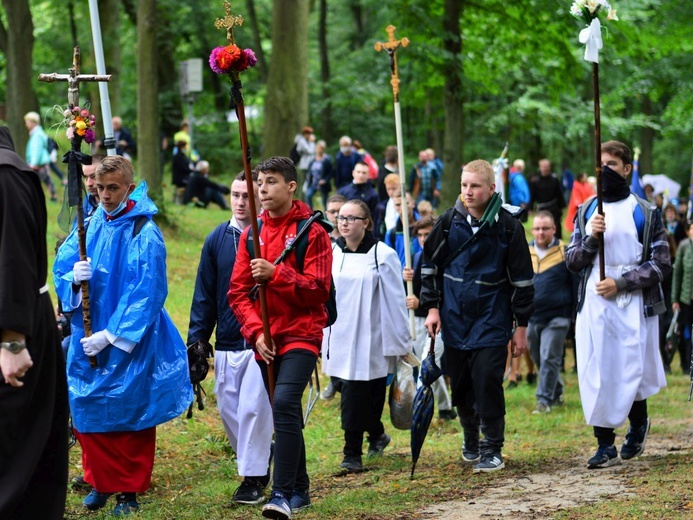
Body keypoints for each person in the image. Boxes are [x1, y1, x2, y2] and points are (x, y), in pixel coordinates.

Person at [53, 155, 192, 514]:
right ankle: (99, 481)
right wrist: (73, 278)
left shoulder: (142, 232)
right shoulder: (91, 223)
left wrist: (112, 336)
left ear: (129, 188)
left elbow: (146, 292)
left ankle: (128, 491)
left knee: (130, 414)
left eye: (112, 188)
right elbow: (63, 265)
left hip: (130, 341)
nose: (104, 195)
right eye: (99, 188)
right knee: (87, 408)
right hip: (86, 333)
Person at [228, 156, 332, 519]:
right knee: (283, 411)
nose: (262, 189)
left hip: (302, 333)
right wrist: (256, 332)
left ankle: (282, 493)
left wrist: (278, 274)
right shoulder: (250, 235)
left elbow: (319, 290)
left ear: (290, 187)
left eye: (270, 182)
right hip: (266, 339)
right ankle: (301, 487)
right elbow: (238, 294)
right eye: (259, 182)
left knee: (286, 403)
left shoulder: (312, 232)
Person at [421, 159, 534, 473]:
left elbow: (523, 281)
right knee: (461, 384)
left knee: (486, 380)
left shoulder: (509, 227)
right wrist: (431, 308)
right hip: (454, 318)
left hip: (492, 318)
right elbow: (428, 267)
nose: (468, 192)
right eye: (464, 186)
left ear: (491, 188)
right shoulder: (446, 223)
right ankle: (470, 436)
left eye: (475, 186)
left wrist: (521, 326)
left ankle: (491, 446)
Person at [566, 140, 669, 469]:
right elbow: (572, 259)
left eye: (611, 164)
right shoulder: (586, 210)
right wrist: (592, 238)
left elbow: (661, 263)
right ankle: (604, 443)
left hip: (633, 301)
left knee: (630, 368)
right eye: (600, 165)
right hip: (595, 302)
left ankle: (638, 425)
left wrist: (622, 282)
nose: (604, 170)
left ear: (626, 169)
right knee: (597, 369)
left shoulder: (646, 211)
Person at [187, 171, 273, 505]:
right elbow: (204, 293)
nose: (239, 202)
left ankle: (253, 478)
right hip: (225, 339)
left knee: (254, 408)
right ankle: (262, 453)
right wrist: (198, 338)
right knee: (230, 410)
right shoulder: (217, 239)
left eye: (246, 196)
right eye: (235, 195)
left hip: (259, 340)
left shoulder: (268, 235)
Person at [0, 126, 69, 519]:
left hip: (16, 330)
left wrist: (12, 340)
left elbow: (14, 259)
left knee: (16, 443)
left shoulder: (6, 175)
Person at [322, 199, 411, 473]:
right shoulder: (331, 253)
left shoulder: (382, 255)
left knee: (370, 396)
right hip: (340, 334)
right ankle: (354, 452)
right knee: (351, 392)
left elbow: (395, 301)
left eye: (351, 218)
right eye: (341, 217)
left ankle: (375, 435)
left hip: (371, 338)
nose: (345, 222)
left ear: (366, 223)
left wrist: (401, 343)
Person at [402, 216, 455, 421]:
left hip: (440, 322)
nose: (424, 239)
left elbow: (445, 293)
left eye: (428, 234)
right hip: (417, 322)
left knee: (427, 363)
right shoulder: (414, 258)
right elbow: (411, 293)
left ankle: (417, 410)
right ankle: (445, 407)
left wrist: (421, 304)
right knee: (429, 365)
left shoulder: (446, 258)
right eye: (421, 235)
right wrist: (406, 278)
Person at [527, 211, 576, 414]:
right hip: (532, 317)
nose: (541, 232)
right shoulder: (524, 252)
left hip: (558, 316)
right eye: (537, 228)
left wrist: (574, 315)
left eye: (545, 228)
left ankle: (544, 401)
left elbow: (575, 286)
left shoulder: (566, 252)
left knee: (549, 357)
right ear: (532, 230)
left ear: (554, 229)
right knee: (538, 356)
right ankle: (556, 390)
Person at [319, 194, 347, 401]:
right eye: (332, 211)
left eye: (340, 211)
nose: (336, 216)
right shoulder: (320, 238)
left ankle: (343, 383)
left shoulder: (350, 240)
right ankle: (333, 380)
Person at [671, 222, 693, 375]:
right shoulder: (684, 246)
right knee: (685, 332)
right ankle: (686, 365)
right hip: (686, 299)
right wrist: (675, 299)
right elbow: (677, 274)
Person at [23, 111, 56, 202]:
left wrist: (33, 163)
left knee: (44, 180)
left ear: (33, 122)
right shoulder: (37, 133)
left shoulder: (37, 135)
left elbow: (36, 150)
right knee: (46, 180)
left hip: (39, 163)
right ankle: (52, 197)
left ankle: (52, 197)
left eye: (27, 122)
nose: (26, 124)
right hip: (41, 162)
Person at [385, 192, 422, 268]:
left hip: (424, 276)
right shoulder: (391, 234)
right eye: (398, 205)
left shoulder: (425, 228)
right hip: (403, 278)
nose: (402, 208)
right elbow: (389, 262)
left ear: (413, 203)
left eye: (406, 203)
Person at [530, 159, 565, 239]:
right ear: (540, 168)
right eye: (543, 167)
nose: (545, 169)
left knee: (555, 225)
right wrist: (530, 207)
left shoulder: (554, 180)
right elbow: (533, 195)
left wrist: (561, 207)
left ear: (549, 168)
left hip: (553, 208)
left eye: (546, 167)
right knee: (542, 224)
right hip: (542, 208)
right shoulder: (536, 181)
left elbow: (559, 194)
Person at [304, 140, 333, 210]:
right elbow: (309, 170)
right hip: (313, 183)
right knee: (308, 195)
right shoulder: (313, 159)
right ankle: (310, 214)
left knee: (324, 202)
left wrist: (325, 180)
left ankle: (326, 217)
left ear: (323, 149)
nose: (318, 150)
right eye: (317, 148)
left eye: (320, 149)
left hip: (323, 185)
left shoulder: (327, 160)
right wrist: (308, 177)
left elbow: (331, 172)